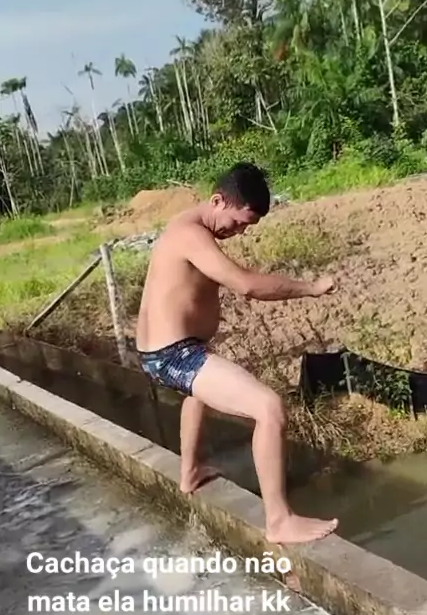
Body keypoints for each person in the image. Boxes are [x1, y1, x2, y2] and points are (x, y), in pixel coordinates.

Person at [136, 162, 338, 544]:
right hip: (174, 355)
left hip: (170, 352)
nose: (239, 231)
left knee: (198, 394)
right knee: (270, 409)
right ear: (217, 200)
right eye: (238, 222)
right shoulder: (190, 235)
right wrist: (310, 288)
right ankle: (279, 520)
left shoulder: (186, 226)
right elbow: (246, 285)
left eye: (247, 227)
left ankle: (190, 472)